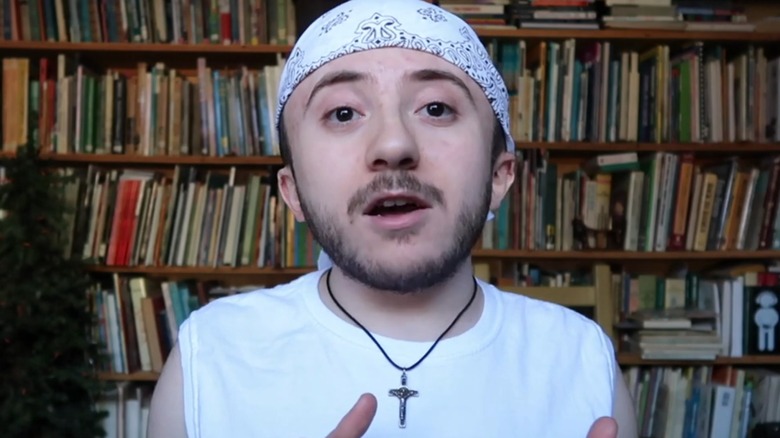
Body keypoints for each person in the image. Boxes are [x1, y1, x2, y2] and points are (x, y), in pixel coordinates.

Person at [148, 0, 639, 436]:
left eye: (436, 108)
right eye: (343, 114)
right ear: (293, 192)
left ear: (499, 174)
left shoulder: (582, 362)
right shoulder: (209, 358)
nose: (394, 145)